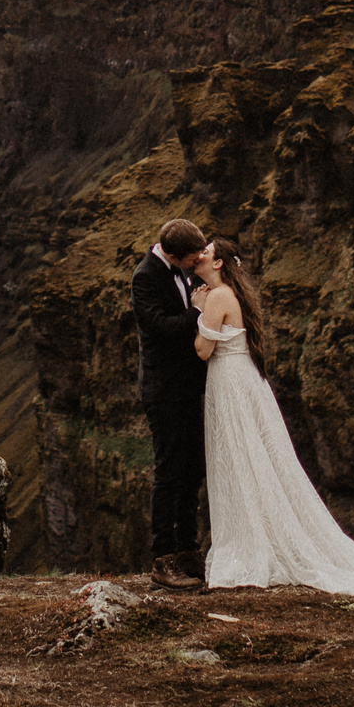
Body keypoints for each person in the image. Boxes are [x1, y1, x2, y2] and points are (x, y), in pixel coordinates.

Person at [192, 236, 354, 595]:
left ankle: (252, 544)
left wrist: (198, 310)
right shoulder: (232, 293)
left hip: (231, 384)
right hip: (240, 381)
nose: (199, 256)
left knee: (239, 457)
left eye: (206, 252)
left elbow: (203, 350)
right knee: (248, 457)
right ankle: (259, 535)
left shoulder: (216, 296)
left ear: (218, 263)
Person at [131, 217, 211, 590]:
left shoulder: (185, 271)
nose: (196, 265)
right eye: (191, 260)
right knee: (168, 473)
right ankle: (163, 560)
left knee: (193, 470)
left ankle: (188, 550)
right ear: (172, 255)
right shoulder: (145, 277)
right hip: (163, 392)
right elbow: (162, 330)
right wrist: (196, 313)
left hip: (191, 388)